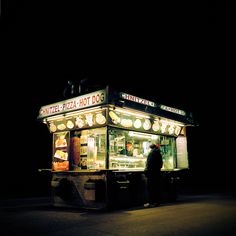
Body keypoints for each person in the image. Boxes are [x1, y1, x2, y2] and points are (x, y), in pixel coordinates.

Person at [144, 143, 163, 207]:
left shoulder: (152, 153)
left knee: (151, 188)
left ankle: (151, 202)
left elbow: (149, 163)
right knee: (157, 188)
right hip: (157, 173)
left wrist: (146, 170)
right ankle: (157, 202)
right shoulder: (158, 153)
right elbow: (160, 164)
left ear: (151, 148)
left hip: (152, 173)